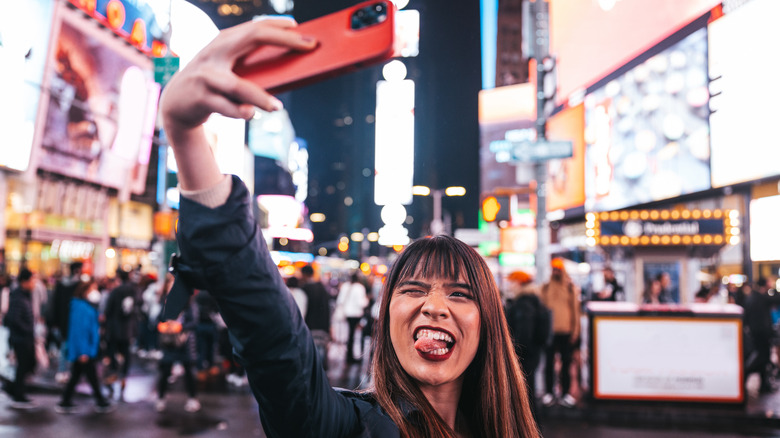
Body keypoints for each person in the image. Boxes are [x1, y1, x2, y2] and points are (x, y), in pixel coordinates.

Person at [158, 17, 539, 437]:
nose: (433, 306)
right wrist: (187, 135)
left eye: (460, 294)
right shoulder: (347, 427)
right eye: (412, 289)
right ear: (385, 315)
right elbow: (276, 346)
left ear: (488, 324)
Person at [56, 280, 114, 414]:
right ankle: (100, 401)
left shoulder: (84, 306)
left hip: (86, 349)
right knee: (90, 376)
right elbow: (80, 331)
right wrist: (83, 352)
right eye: (92, 288)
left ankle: (66, 401)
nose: (95, 292)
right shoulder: (81, 308)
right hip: (85, 350)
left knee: (77, 375)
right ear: (85, 291)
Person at [504, 270, 551, 421]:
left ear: (519, 283)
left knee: (524, 391)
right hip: (532, 353)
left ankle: (529, 424)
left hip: (525, 355)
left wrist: (515, 353)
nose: (509, 286)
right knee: (527, 389)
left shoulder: (524, 303)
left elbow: (524, 332)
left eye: (512, 282)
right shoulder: (532, 300)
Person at [540, 258, 581, 408]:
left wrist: (575, 331)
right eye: (554, 269)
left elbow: (575, 311)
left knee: (566, 364)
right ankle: (549, 393)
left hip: (566, 331)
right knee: (549, 364)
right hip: (550, 332)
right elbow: (542, 310)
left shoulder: (570, 287)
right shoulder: (545, 287)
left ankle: (565, 394)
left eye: (558, 269)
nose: (555, 271)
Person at [156, 291, 200, 413]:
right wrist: (163, 325)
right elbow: (157, 319)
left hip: (185, 343)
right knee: (165, 370)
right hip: (169, 343)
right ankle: (161, 398)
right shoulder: (167, 303)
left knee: (189, 371)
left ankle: (192, 398)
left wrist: (180, 326)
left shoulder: (190, 303)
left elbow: (194, 322)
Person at [2, 268, 38, 409]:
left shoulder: (24, 295)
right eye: (32, 280)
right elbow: (14, 318)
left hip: (24, 337)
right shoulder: (18, 296)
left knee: (26, 366)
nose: (34, 283)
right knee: (23, 366)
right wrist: (27, 330)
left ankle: (16, 391)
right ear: (25, 281)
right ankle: (17, 394)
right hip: (21, 338)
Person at [103, 268, 138, 399]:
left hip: (115, 328)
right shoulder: (133, 291)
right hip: (127, 329)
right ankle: (123, 376)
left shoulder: (115, 292)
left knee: (112, 352)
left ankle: (113, 374)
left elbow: (108, 310)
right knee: (126, 353)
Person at [744, 278, 780, 394]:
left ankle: (764, 384)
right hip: (762, 333)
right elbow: (777, 299)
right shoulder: (760, 297)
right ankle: (745, 373)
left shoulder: (751, 297)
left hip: (756, 332)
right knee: (762, 357)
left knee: (764, 357)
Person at [51, 261, 83, 383]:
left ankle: (64, 371)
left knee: (65, 347)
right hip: (67, 321)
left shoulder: (64, 285)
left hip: (65, 320)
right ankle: (64, 370)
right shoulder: (74, 285)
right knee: (66, 347)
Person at [300, 264, 331, 369]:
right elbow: (327, 309)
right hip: (322, 326)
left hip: (309, 326)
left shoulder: (304, 289)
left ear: (304, 274)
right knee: (320, 351)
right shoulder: (322, 288)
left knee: (310, 354)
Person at [336, 272, 369, 364]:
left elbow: (340, 300)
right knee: (354, 335)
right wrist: (367, 300)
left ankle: (348, 355)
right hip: (356, 314)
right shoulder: (360, 287)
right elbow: (362, 303)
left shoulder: (345, 286)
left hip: (347, 313)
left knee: (349, 335)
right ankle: (352, 356)